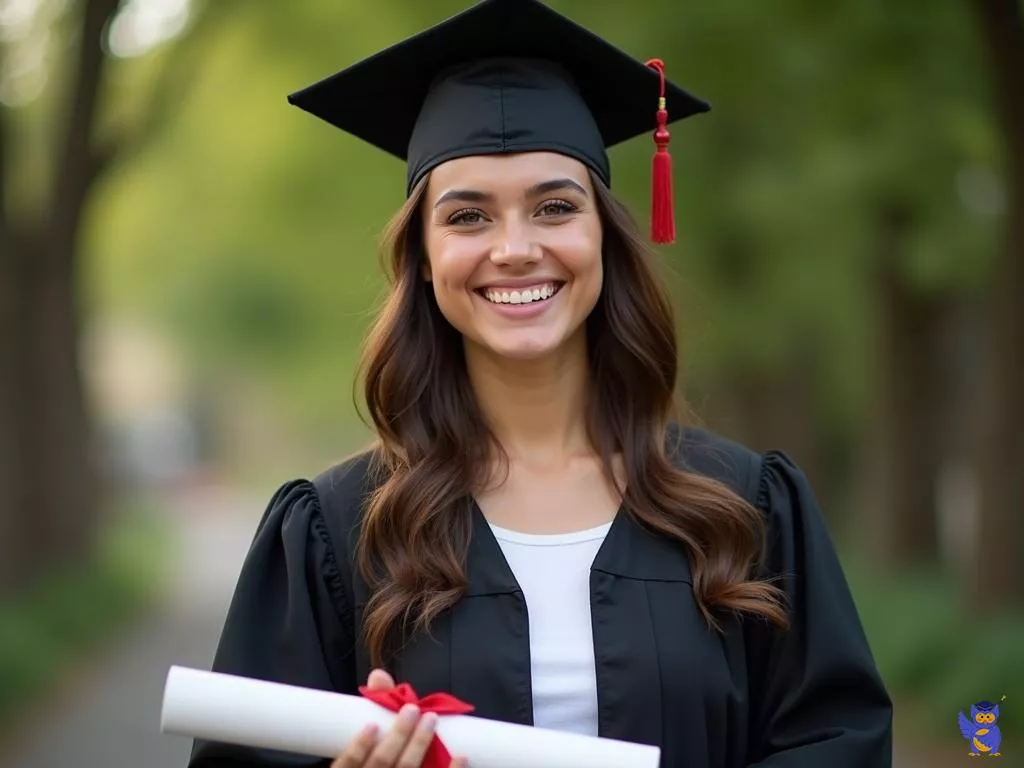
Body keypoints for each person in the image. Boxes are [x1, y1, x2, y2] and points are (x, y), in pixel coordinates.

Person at [187, 0, 893, 766]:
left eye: (555, 207)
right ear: (423, 259)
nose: (516, 248)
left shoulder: (742, 508)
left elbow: (837, 743)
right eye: (468, 218)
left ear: (604, 238)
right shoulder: (339, 533)